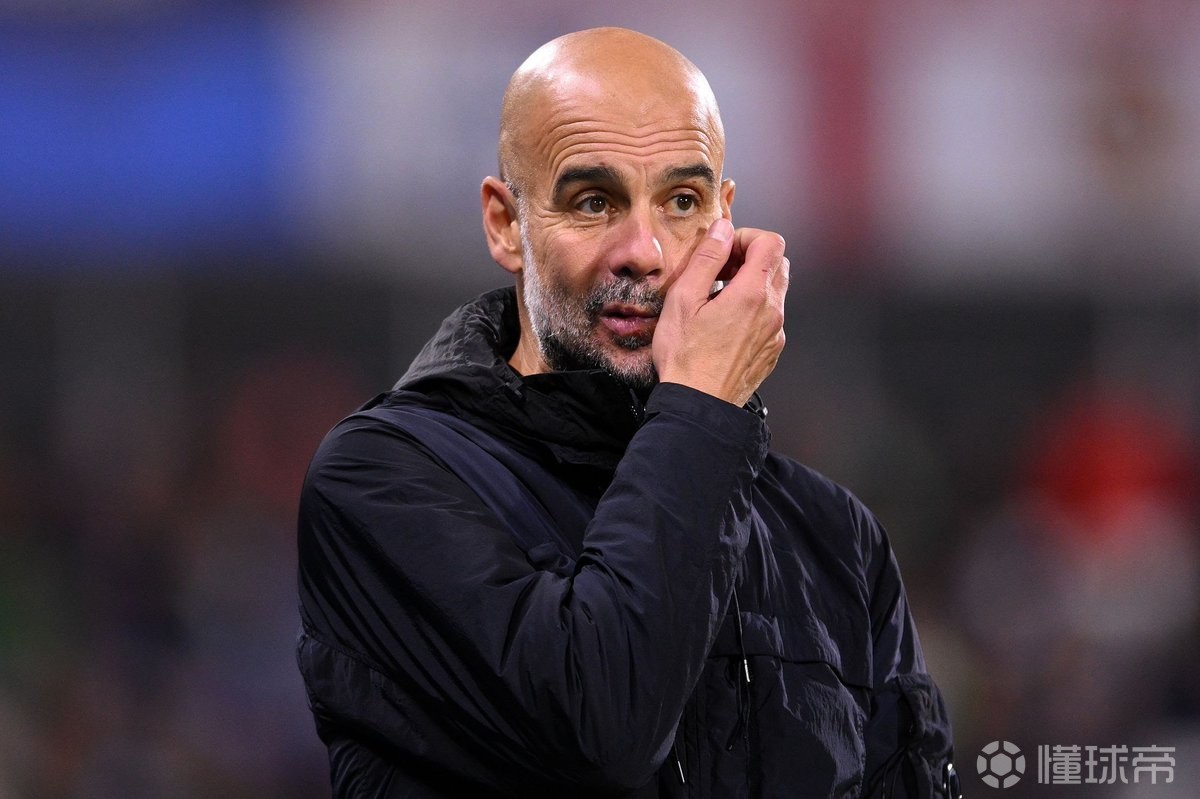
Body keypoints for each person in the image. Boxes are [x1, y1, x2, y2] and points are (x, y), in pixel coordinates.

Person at [296, 27, 957, 798]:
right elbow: (607, 728)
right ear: (507, 224)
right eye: (593, 201)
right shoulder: (381, 481)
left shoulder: (834, 537)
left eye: (681, 201)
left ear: (724, 217)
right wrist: (702, 403)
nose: (644, 249)